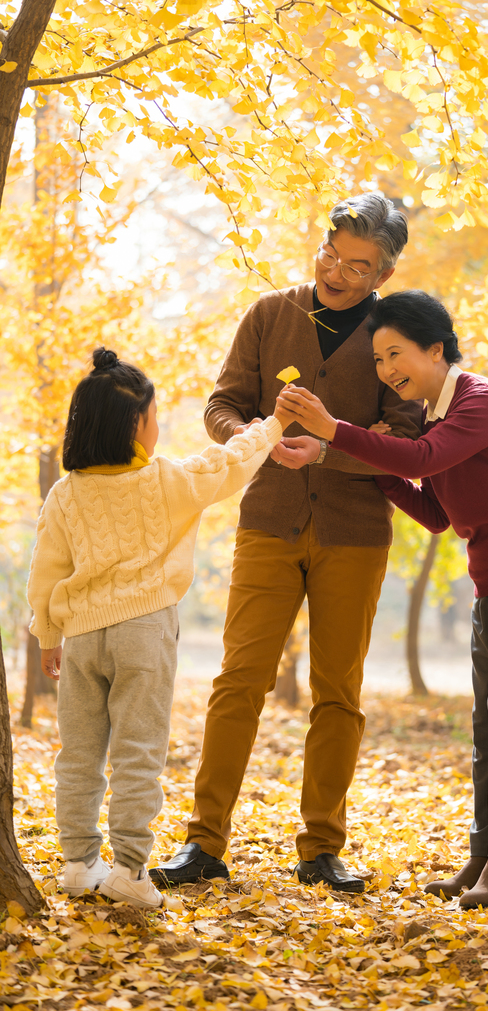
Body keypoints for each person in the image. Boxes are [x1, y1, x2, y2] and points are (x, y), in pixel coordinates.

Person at [275, 290, 488, 909]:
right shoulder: (438, 419)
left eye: (396, 355)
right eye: (379, 361)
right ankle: (486, 854)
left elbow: (424, 458)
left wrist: (334, 431)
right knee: (487, 720)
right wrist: (346, 455)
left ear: (435, 349)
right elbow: (436, 512)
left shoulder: (481, 401)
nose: (388, 370)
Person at [149, 193, 421, 894]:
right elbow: (221, 405)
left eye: (358, 266)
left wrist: (327, 446)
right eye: (332, 252)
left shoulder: (394, 337)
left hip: (354, 534)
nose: (338, 270)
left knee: (339, 692)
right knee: (238, 682)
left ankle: (321, 848)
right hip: (268, 523)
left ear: (381, 274)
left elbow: (405, 439)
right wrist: (261, 437)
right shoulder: (271, 313)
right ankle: (203, 843)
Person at [27, 347, 291, 909]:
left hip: (80, 639)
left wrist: (49, 634)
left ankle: (76, 862)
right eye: (152, 417)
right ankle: (128, 869)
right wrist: (276, 424)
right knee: (138, 753)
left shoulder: (66, 492)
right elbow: (231, 461)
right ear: (132, 426)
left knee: (77, 753)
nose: (156, 427)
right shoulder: (167, 479)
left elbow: (45, 568)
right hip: (143, 632)